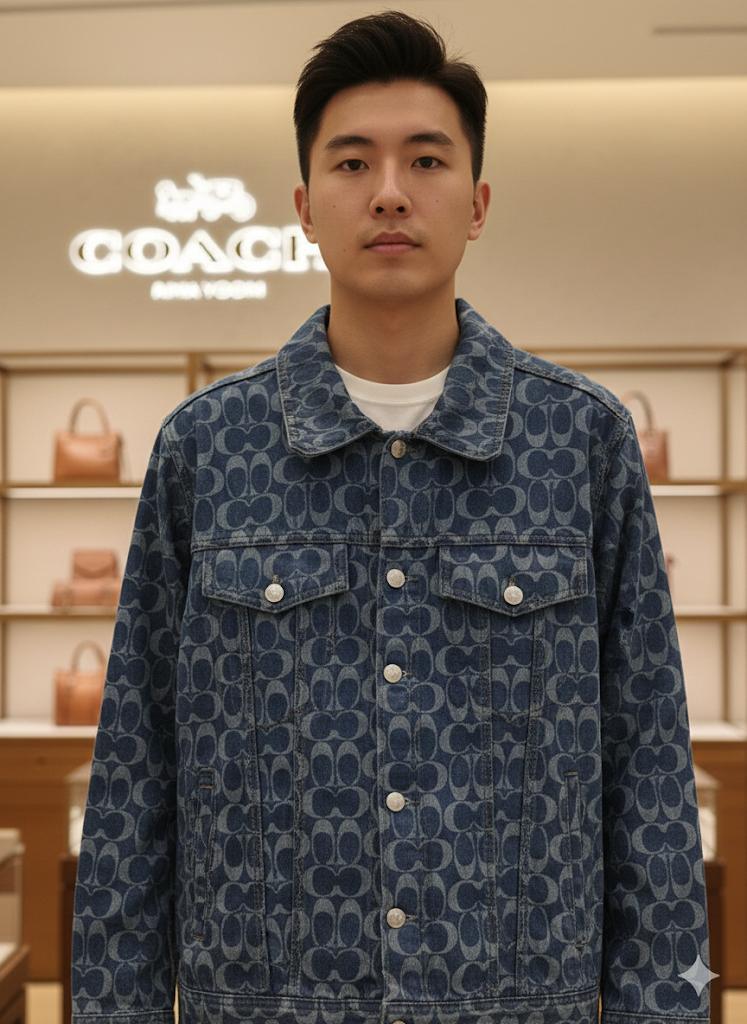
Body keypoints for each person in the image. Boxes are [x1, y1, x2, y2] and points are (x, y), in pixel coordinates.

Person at [71, 10, 713, 1024]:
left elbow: (651, 780)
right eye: (351, 162)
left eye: (426, 159)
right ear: (304, 205)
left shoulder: (579, 442)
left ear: (478, 202)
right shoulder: (207, 449)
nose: (388, 192)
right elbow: (135, 781)